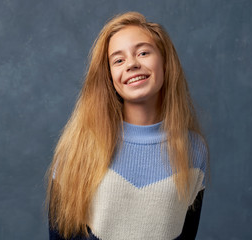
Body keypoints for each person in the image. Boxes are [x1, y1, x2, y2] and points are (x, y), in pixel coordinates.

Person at [46, 11, 208, 240]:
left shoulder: (193, 149)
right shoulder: (77, 148)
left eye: (143, 52)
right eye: (118, 60)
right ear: (109, 76)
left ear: (165, 62)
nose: (132, 64)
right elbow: (60, 234)